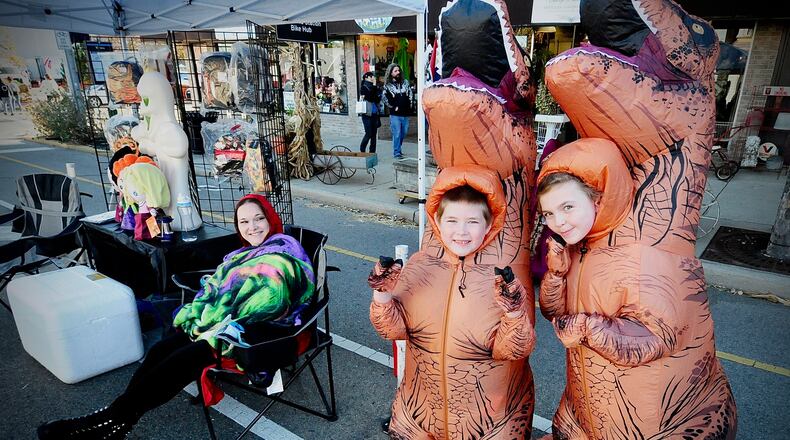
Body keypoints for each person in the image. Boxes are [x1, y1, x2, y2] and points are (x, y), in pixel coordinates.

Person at [37, 194, 317, 440]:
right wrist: (211, 312)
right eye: (244, 222)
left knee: (180, 362)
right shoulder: (246, 253)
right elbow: (226, 289)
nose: (252, 227)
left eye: (258, 219)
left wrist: (218, 319)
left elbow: (272, 301)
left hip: (257, 335)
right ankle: (117, 421)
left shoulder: (282, 252)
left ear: (270, 218)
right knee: (160, 350)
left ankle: (105, 420)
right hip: (220, 324)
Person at [536, 139, 737, 439]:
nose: (558, 222)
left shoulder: (643, 254)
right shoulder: (576, 248)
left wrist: (588, 329)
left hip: (649, 420)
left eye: (567, 207)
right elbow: (552, 312)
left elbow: (660, 335)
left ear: (597, 199)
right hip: (589, 407)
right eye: (549, 214)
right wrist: (555, 275)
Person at [369, 169, 536, 439]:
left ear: (489, 225)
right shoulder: (420, 266)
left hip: (483, 423)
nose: (461, 231)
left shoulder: (501, 278)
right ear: (437, 221)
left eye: (472, 221)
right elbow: (393, 330)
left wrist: (514, 314)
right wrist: (382, 295)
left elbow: (513, 350)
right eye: (452, 220)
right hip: (419, 411)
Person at [381, 63, 412, 159]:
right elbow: (384, 98)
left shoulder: (405, 82)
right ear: (391, 73)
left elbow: (410, 94)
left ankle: (398, 148)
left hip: (405, 113)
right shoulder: (387, 85)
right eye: (395, 71)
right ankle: (397, 152)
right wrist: (393, 107)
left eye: (398, 70)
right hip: (395, 114)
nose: (398, 72)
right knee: (397, 133)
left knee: (404, 132)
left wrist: (410, 105)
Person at [359, 71, 381, 153]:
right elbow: (370, 98)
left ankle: (372, 152)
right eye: (371, 76)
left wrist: (375, 89)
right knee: (368, 133)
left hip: (375, 113)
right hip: (367, 114)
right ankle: (362, 149)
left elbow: (377, 99)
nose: (372, 78)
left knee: (374, 135)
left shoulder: (374, 88)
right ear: (366, 78)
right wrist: (374, 86)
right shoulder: (363, 87)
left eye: (373, 76)